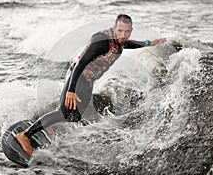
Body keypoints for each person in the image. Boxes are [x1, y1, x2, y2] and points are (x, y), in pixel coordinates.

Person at [16, 14, 167, 155]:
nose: (123, 35)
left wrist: (148, 43)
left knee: (75, 116)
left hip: (88, 80)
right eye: (120, 31)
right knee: (64, 112)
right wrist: (71, 90)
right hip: (78, 76)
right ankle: (25, 135)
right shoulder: (101, 42)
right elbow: (79, 64)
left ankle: (46, 123)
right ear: (115, 28)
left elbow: (126, 44)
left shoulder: (119, 39)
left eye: (127, 32)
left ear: (130, 31)